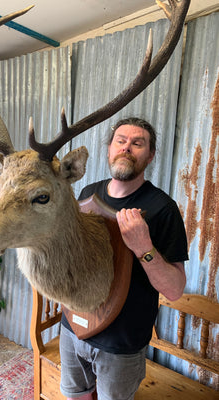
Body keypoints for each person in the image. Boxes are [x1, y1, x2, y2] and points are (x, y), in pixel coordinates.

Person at [60, 117, 188, 400]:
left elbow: (175, 289)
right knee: (75, 396)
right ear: (109, 148)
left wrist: (143, 246)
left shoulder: (163, 209)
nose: (127, 148)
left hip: (121, 345)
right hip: (72, 327)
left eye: (137, 143)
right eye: (121, 140)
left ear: (150, 155)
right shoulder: (85, 194)